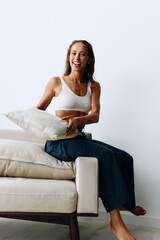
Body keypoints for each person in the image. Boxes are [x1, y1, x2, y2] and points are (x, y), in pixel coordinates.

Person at [36, 40, 146, 240]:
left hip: (77, 138)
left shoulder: (94, 86)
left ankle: (126, 203)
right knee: (103, 155)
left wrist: (78, 120)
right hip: (59, 142)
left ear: (89, 59)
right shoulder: (56, 82)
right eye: (74, 53)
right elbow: (37, 111)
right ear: (69, 57)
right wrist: (50, 127)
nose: (77, 58)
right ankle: (116, 222)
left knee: (124, 157)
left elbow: (95, 115)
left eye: (82, 54)